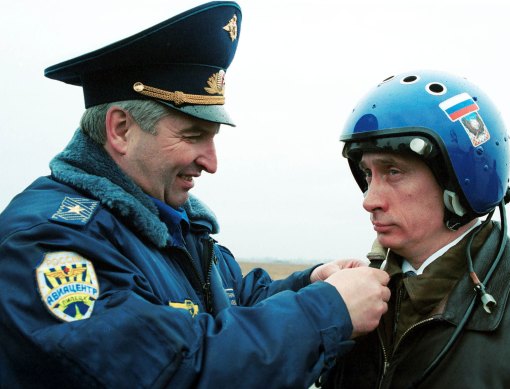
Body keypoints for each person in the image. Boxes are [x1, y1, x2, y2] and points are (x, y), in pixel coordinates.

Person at [0, 2, 391, 388]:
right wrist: (327, 311)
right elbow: (170, 370)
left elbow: (228, 302)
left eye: (213, 140)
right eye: (192, 136)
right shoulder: (49, 242)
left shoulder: (174, 226)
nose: (211, 162)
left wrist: (310, 284)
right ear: (120, 129)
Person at [320, 70, 510, 388]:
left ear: (457, 183)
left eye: (393, 171)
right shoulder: (346, 304)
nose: (369, 200)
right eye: (367, 174)